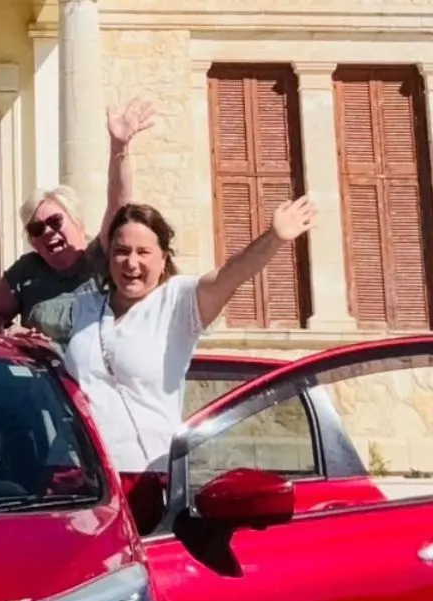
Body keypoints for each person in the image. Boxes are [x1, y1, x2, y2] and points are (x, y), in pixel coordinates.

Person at [58, 197, 316, 473]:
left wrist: (273, 238)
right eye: (122, 251)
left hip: (144, 476)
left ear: (163, 259)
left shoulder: (178, 302)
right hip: (75, 475)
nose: (131, 263)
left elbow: (230, 275)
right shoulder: (86, 307)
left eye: (143, 252)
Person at [0, 100, 157, 335]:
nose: (47, 232)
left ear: (77, 220)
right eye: (37, 229)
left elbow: (118, 204)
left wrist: (119, 148)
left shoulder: (101, 255)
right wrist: (7, 331)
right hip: (44, 371)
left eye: (55, 222)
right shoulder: (27, 272)